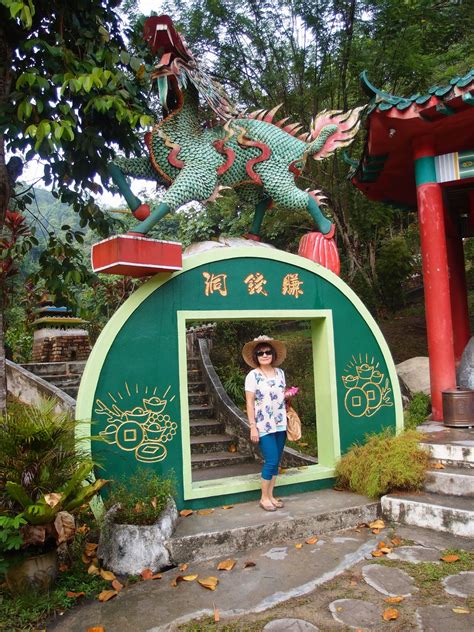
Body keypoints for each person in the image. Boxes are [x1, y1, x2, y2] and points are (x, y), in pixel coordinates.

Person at [242, 335, 287, 512]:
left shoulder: (280, 373)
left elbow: (282, 397)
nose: (265, 355)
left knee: (277, 462)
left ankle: (271, 495)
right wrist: (252, 426)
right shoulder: (253, 376)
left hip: (281, 423)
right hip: (264, 425)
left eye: (268, 352)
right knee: (271, 460)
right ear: (256, 357)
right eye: (260, 353)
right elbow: (249, 403)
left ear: (273, 354)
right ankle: (263, 498)